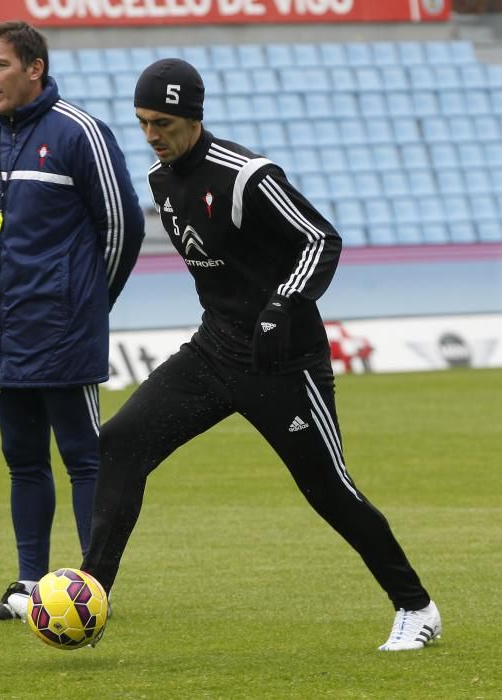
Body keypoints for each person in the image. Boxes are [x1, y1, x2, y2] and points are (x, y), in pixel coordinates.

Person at [79, 58, 441, 651]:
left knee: (328, 489)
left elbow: (321, 239)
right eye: (143, 122)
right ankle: (91, 596)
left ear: (194, 118)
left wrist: (280, 307)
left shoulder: (247, 175)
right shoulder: (160, 179)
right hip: (213, 351)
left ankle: (417, 607)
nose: (151, 135)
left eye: (163, 123)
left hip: (284, 363)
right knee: (121, 443)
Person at [0, 21, 145, 622]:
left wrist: (92, 300)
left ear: (34, 67)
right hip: (1, 329)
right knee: (22, 459)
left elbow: (123, 225)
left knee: (85, 457)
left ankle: (95, 584)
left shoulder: (80, 132)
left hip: (63, 329)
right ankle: (27, 586)